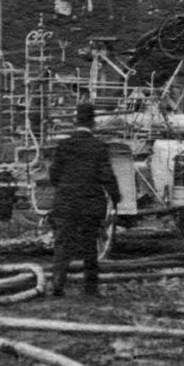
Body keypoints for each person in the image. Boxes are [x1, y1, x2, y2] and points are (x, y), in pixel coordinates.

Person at [46, 102, 115, 298]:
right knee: (90, 246)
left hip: (66, 202)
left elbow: (54, 174)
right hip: (89, 203)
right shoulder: (99, 147)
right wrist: (116, 197)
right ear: (93, 123)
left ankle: (58, 285)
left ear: (76, 122)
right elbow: (107, 176)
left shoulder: (63, 145)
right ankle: (90, 289)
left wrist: (65, 188)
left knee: (62, 244)